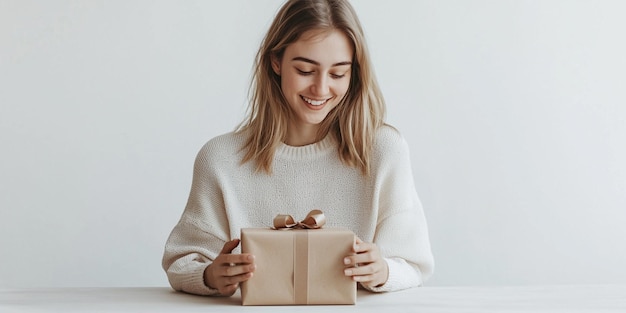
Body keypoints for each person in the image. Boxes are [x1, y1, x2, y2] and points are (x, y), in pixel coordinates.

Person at [162, 0, 434, 297]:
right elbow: (181, 262)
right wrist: (210, 275)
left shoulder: (383, 151)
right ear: (275, 62)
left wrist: (383, 271)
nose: (321, 89)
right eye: (305, 70)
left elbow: (414, 264)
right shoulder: (221, 159)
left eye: (338, 73)